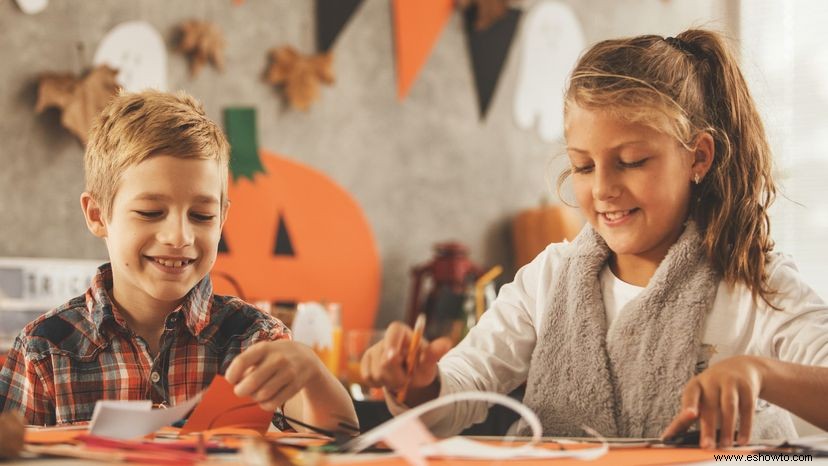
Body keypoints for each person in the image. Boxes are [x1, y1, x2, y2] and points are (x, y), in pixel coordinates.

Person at [361, 29, 828, 449]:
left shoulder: (753, 282)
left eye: (631, 161)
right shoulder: (548, 279)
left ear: (698, 157)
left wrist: (760, 373)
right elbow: (461, 390)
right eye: (583, 166)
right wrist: (419, 383)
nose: (602, 188)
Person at [0, 90, 357, 434]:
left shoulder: (256, 340)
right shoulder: (42, 351)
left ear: (223, 219)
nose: (180, 237)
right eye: (151, 212)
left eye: (202, 215)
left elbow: (337, 441)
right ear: (97, 215)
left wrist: (313, 373)